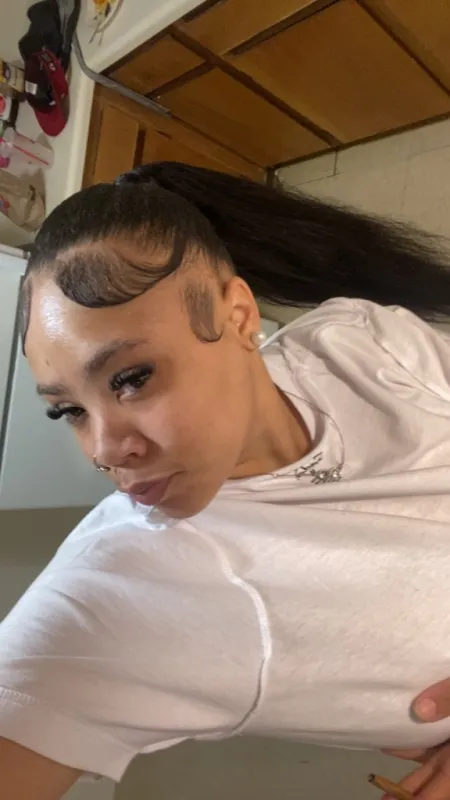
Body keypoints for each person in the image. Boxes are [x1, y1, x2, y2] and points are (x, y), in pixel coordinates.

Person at [3, 162, 450, 800]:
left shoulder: (363, 344)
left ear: (238, 316)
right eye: (68, 411)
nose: (103, 450)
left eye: (132, 379)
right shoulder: (124, 587)